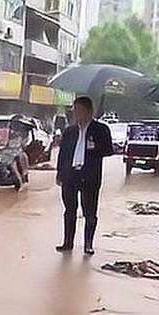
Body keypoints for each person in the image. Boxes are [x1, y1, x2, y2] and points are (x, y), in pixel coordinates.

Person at [55, 97, 114, 255]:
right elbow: (63, 154)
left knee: (89, 212)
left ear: (89, 111)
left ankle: (88, 244)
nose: (77, 114)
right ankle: (68, 243)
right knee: (69, 210)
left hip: (90, 176)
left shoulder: (101, 129)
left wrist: (94, 147)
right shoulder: (70, 131)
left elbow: (109, 150)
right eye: (75, 110)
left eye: (80, 110)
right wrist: (59, 173)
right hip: (70, 175)